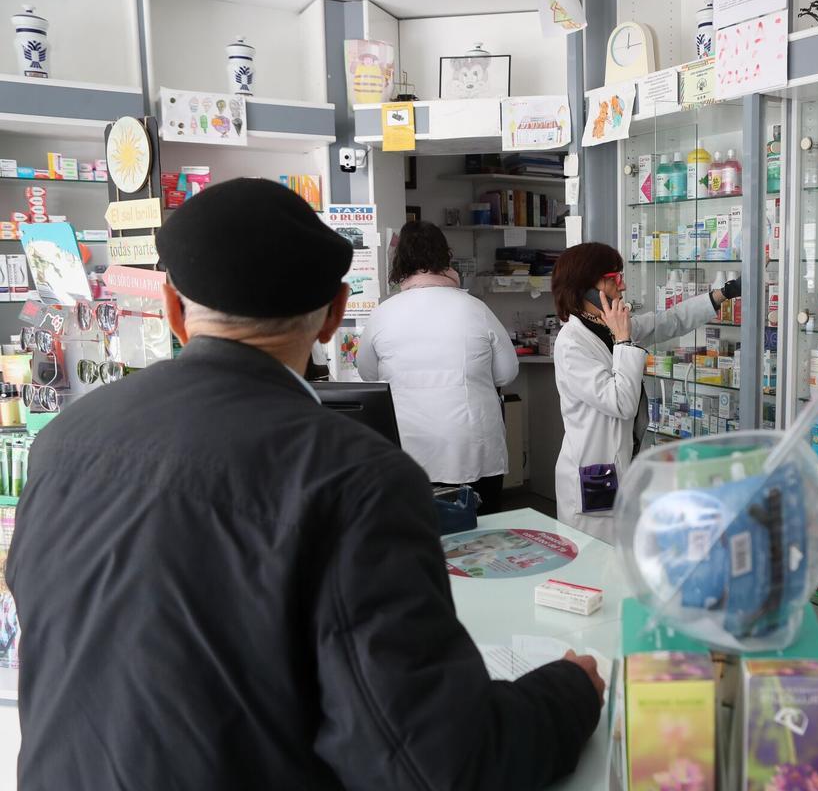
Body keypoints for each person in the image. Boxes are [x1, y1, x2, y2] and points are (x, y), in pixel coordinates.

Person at [6, 179, 603, 791]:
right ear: (335, 313)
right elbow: (438, 763)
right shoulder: (356, 479)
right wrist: (569, 691)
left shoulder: (61, 444)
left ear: (173, 310)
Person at [551, 242, 741, 541]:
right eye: (614, 278)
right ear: (588, 288)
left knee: (621, 564)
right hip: (594, 478)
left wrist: (723, 294)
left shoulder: (604, 326)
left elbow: (669, 321)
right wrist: (624, 341)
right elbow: (621, 402)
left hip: (626, 468)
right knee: (593, 571)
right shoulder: (572, 343)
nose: (623, 285)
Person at [357, 220, 518, 514]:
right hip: (471, 445)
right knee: (481, 536)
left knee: (420, 534)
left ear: (399, 262)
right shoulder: (475, 309)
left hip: (409, 446)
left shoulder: (384, 313)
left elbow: (368, 374)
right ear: (446, 257)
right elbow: (507, 372)